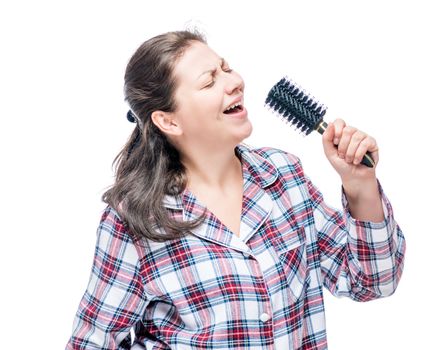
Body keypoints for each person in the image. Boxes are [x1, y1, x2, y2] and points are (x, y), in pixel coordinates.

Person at [66, 30, 406, 350]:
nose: (234, 82)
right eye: (209, 81)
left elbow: (374, 282)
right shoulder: (134, 221)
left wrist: (359, 184)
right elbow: (91, 341)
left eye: (226, 68)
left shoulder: (284, 177)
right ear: (169, 121)